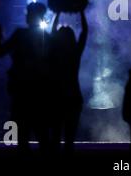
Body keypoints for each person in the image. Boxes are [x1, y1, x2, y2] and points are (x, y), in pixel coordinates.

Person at [0, 2, 50, 153]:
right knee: (43, 137)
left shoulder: (21, 34)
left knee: (23, 136)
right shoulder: (47, 38)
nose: (26, 15)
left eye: (28, 13)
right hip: (40, 93)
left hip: (22, 93)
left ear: (33, 15)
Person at [48, 8, 88, 154]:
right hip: (72, 98)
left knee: (55, 136)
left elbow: (52, 31)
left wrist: (57, 12)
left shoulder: (54, 52)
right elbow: (84, 33)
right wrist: (82, 12)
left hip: (57, 98)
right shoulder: (74, 53)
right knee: (69, 139)